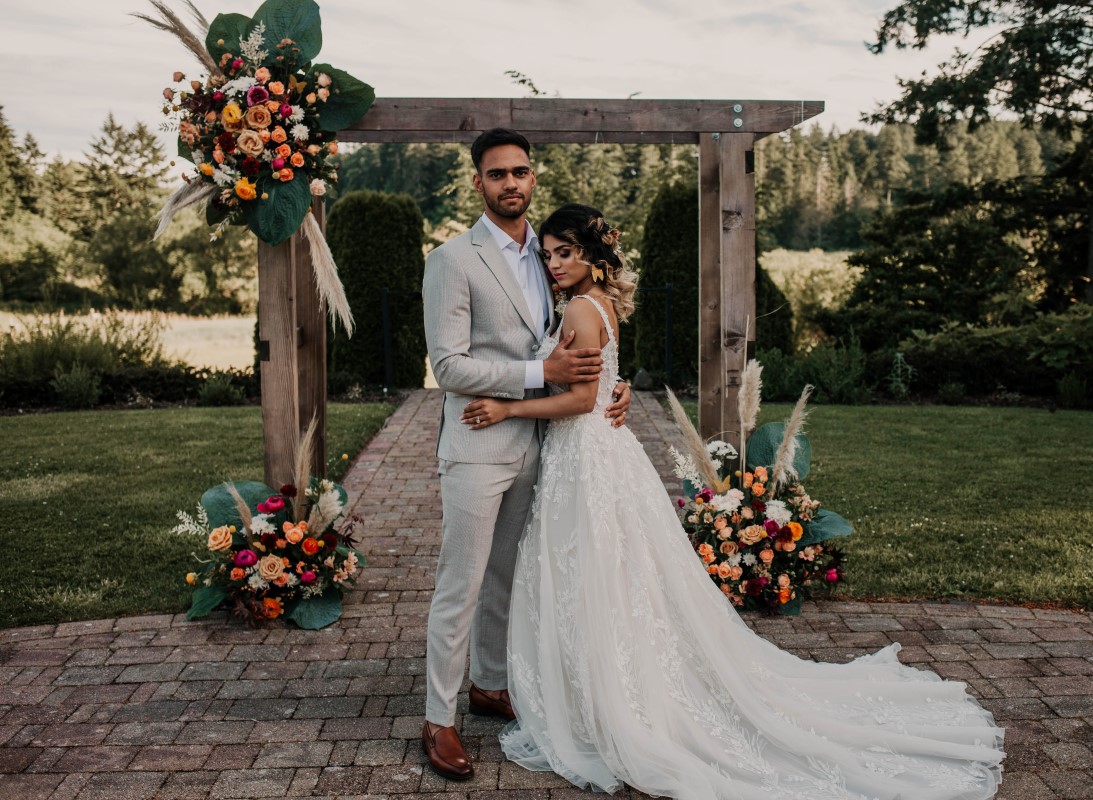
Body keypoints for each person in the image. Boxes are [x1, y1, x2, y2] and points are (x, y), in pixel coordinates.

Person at [461, 203, 1006, 800]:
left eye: (565, 251)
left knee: (594, 573)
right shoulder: (601, 307)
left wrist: (508, 407)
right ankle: (603, 683)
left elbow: (578, 401)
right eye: (548, 254)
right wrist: (605, 390)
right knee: (608, 576)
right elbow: (595, 388)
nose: (554, 262)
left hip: (586, 455)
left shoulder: (581, 312)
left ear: (593, 254)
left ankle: (612, 700)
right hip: (592, 457)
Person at [420, 130, 632, 781]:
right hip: (480, 440)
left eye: (519, 172)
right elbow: (449, 366)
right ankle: (438, 719)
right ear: (478, 182)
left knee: (507, 579)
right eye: (495, 174)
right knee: (461, 582)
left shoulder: (554, 254)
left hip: (543, 447)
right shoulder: (453, 260)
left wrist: (610, 388)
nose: (509, 183)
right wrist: (540, 376)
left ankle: (488, 684)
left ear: (532, 177)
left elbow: (580, 337)